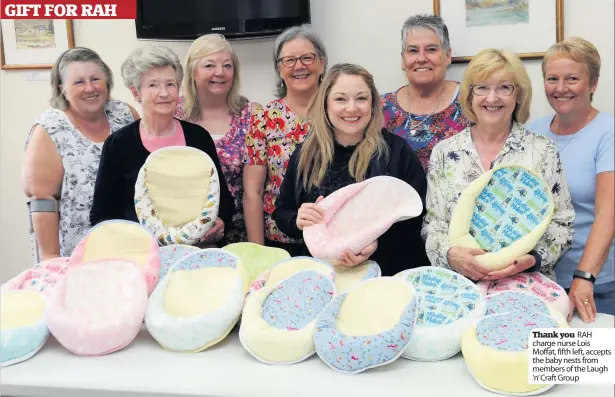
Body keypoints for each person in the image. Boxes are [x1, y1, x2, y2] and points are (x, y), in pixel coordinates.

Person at [422, 48, 575, 282]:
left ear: (519, 96)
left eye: (504, 87)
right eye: (482, 87)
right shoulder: (444, 152)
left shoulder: (542, 151)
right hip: (461, 285)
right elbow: (433, 226)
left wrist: (533, 259)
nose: (492, 98)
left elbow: (562, 224)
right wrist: (450, 254)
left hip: (526, 284)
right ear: (470, 95)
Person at [273, 63, 429, 276]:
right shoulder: (306, 154)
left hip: (387, 272)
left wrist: (375, 245)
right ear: (325, 104)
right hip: (324, 274)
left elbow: (417, 217)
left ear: (373, 104)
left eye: (361, 98)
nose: (352, 108)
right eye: (340, 99)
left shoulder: (397, 153)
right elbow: (282, 212)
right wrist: (297, 219)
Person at [89, 44, 234, 247]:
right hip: (141, 254)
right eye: (153, 85)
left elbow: (223, 200)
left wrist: (221, 223)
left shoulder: (198, 137)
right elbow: (102, 215)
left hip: (196, 250)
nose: (164, 93)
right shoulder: (119, 144)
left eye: (170, 84)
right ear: (136, 92)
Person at [22, 47, 138, 260]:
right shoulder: (50, 128)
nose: (90, 88)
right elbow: (42, 200)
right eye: (79, 82)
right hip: (77, 252)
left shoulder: (125, 114)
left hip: (130, 243)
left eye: (95, 79)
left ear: (107, 82)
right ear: (62, 89)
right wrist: (51, 259)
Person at [527, 37, 614, 321]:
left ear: (593, 83)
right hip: (540, 281)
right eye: (552, 78)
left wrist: (584, 275)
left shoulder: (608, 132)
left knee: (590, 364)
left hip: (595, 284)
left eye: (572, 78)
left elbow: (607, 213)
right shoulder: (533, 131)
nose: (561, 88)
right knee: (544, 364)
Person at [243, 25, 327, 255]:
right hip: (281, 240)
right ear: (279, 70)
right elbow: (253, 192)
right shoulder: (264, 119)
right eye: (289, 60)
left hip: (333, 235)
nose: (299, 66)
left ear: (322, 62)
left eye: (307, 58)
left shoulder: (341, 111)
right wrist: (259, 253)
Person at [175, 34, 261, 244]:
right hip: (184, 235)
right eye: (209, 65)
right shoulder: (174, 114)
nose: (220, 72)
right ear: (192, 72)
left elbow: (256, 190)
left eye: (227, 65)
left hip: (239, 235)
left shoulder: (252, 114)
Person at [382, 14, 470, 171]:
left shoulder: (472, 101)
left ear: (447, 56)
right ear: (403, 60)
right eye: (413, 50)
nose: (421, 58)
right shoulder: (381, 108)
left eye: (431, 49)